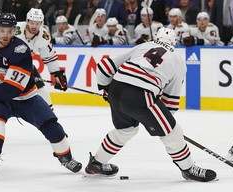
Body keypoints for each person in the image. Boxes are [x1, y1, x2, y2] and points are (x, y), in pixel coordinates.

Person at [85, 27, 217, 182]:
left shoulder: (143, 46)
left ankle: (97, 163)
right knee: (172, 131)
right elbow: (171, 102)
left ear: (156, 38)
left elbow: (104, 67)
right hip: (141, 94)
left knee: (125, 130)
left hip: (117, 88)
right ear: (174, 42)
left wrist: (106, 89)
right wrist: (163, 124)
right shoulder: (178, 61)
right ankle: (188, 168)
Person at [0, 12, 82, 175]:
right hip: (0, 98)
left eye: (9, 31)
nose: (5, 35)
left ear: (15, 31)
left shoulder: (21, 50)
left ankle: (66, 158)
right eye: (2, 30)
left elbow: (12, 88)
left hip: (26, 97)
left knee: (52, 126)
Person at [0, 8, 62, 150]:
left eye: (38, 23)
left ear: (42, 23)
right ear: (26, 21)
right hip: (2, 66)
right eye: (32, 22)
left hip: (23, 66)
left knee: (42, 91)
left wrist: (57, 74)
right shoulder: (14, 29)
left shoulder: (44, 36)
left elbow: (49, 56)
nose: (34, 26)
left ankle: (50, 121)